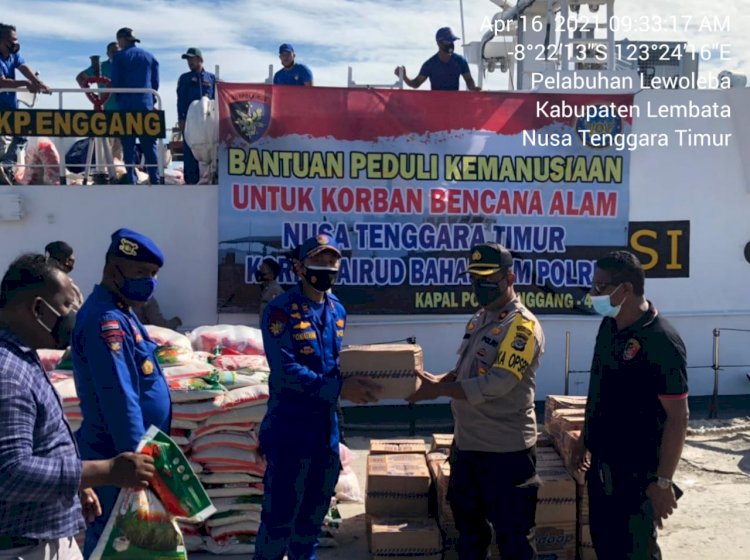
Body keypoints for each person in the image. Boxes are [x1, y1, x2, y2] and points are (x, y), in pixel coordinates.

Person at [0, 254, 156, 560]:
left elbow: (38, 441)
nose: (74, 314)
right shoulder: (7, 374)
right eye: (68, 305)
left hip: (42, 538)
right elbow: (11, 473)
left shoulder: (22, 356)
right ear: (38, 309)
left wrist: (77, 486)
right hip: (25, 547)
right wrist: (105, 470)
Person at [407, 243, 544, 560]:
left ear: (510, 277)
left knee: (515, 543)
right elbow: (465, 372)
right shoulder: (482, 318)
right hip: (469, 449)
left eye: (488, 277)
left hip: (507, 455)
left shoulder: (521, 327)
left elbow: (497, 383)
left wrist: (440, 391)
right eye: (475, 278)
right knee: (470, 537)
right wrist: (437, 381)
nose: (480, 285)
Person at [255, 234, 380, 560]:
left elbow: (334, 365)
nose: (326, 268)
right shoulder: (279, 310)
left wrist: (358, 381)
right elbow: (286, 370)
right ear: (298, 267)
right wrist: (339, 388)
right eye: (318, 261)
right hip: (290, 428)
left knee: (311, 522)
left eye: (332, 261)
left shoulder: (337, 309)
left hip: (326, 431)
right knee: (278, 521)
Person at [577, 251, 689, 560]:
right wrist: (586, 438)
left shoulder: (661, 340)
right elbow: (598, 388)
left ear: (624, 289)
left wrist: (663, 482)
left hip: (637, 480)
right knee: (606, 548)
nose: (592, 294)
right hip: (601, 472)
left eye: (599, 287)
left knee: (636, 552)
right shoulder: (609, 327)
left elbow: (678, 418)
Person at [71, 228, 172, 557]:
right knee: (113, 547)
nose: (149, 281)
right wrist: (133, 461)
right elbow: (119, 396)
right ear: (114, 270)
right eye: (141, 272)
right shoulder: (106, 321)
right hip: (118, 459)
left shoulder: (123, 312)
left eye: (153, 274)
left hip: (130, 459)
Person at [0, 23, 50, 185]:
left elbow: (23, 66)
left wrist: (37, 82)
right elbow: (1, 82)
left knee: (21, 134)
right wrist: (25, 83)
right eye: (12, 40)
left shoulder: (13, 56)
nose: (15, 43)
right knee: (1, 141)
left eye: (16, 39)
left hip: (10, 105)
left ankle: (6, 166)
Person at [111, 27, 160, 185]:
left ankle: (131, 178)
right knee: (149, 144)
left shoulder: (119, 58)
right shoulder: (150, 57)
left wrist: (119, 99)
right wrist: (149, 99)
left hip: (126, 106)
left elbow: (115, 84)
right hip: (145, 106)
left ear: (121, 40)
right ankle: (156, 178)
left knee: (128, 144)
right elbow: (155, 83)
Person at [394, 26, 480, 91]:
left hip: (454, 106)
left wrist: (472, 88)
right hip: (436, 106)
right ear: (439, 43)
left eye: (452, 41)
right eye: (447, 41)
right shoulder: (430, 64)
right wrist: (404, 77)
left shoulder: (460, 61)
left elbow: (468, 79)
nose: (450, 44)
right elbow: (416, 83)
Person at [176, 47, 216, 184]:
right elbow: (180, 100)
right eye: (188, 59)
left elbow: (217, 99)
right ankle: (191, 181)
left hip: (209, 122)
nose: (189, 62)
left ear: (200, 59)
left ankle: (212, 178)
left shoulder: (211, 78)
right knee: (190, 149)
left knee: (213, 149)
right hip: (191, 121)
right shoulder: (184, 78)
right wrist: (181, 119)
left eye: (192, 59)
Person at [76, 42, 120, 111]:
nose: (116, 54)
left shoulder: (127, 65)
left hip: (125, 108)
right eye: (113, 52)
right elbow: (80, 77)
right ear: (108, 54)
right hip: (107, 108)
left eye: (118, 52)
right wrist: (92, 96)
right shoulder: (101, 66)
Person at [45, 240, 84, 309]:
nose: (74, 258)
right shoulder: (65, 286)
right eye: (72, 255)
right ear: (68, 261)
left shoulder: (43, 278)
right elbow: (76, 312)